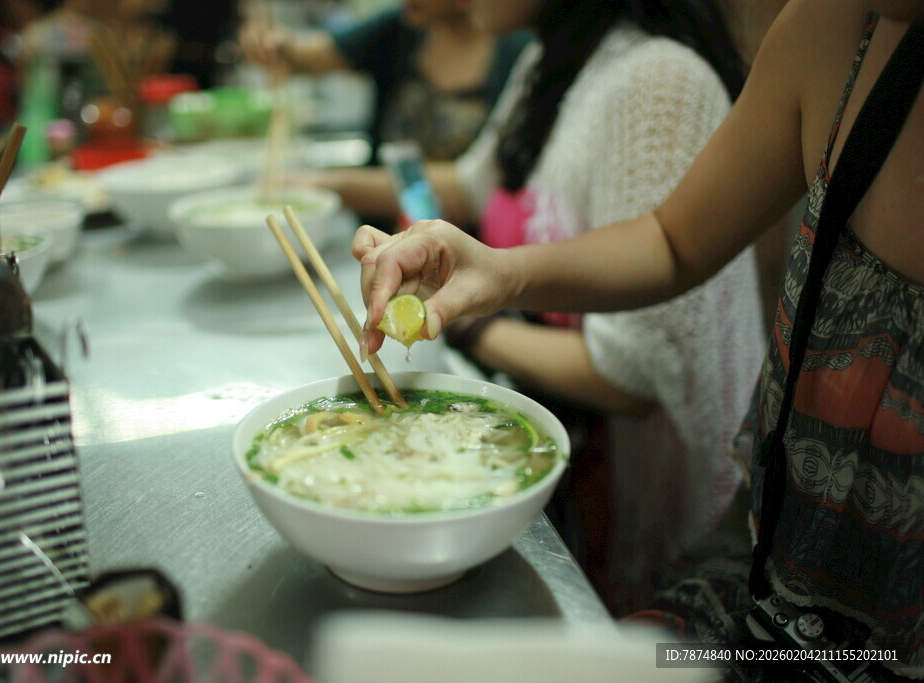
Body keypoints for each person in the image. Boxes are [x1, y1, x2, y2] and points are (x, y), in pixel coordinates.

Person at [353, 0, 923, 675]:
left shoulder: (657, 80)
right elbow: (673, 239)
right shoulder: (836, 29)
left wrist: (482, 329)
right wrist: (499, 274)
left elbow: (635, 367)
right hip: (773, 571)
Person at [239, 0, 531, 164]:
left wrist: (330, 184)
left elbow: (479, 187)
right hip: (378, 236)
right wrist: (278, 44)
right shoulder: (400, 29)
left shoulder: (518, 52)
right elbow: (310, 56)